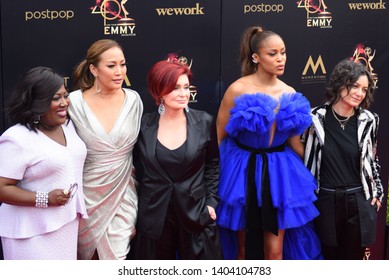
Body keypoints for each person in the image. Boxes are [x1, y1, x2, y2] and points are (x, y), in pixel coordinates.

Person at [216, 26, 322, 260]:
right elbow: (219, 136)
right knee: (242, 250)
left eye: (283, 52)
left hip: (280, 174)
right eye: (272, 53)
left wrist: (322, 166)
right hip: (242, 172)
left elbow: (295, 143)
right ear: (256, 57)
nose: (280, 58)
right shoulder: (238, 89)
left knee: (275, 252)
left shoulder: (290, 92)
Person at [129, 56, 223, 259]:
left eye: (186, 87)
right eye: (175, 88)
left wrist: (211, 203)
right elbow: (133, 168)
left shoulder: (205, 122)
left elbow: (213, 165)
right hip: (154, 217)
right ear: (158, 91)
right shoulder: (143, 126)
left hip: (195, 213)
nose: (183, 94)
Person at [0, 66, 88, 260]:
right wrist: (44, 199)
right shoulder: (16, 138)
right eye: (56, 98)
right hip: (28, 234)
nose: (65, 103)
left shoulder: (68, 126)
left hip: (66, 225)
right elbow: (2, 188)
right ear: (37, 102)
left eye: (66, 96)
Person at [68, 39, 143, 260]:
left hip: (124, 193)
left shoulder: (134, 100)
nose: (120, 72)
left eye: (123, 64)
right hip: (86, 195)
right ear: (93, 69)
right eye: (111, 66)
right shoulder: (74, 103)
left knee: (117, 256)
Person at [302, 59, 383, 260]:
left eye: (364, 89)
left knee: (352, 262)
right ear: (340, 83)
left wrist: (377, 192)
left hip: (358, 199)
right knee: (327, 258)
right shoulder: (314, 118)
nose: (359, 93)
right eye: (354, 86)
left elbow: (372, 159)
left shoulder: (369, 120)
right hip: (325, 198)